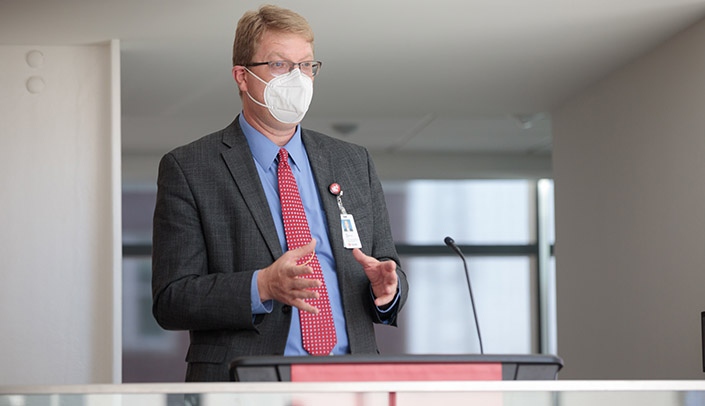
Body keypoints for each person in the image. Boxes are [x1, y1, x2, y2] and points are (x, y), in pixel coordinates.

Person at [151, 4, 408, 382]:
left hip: (350, 380)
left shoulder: (353, 162)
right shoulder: (190, 168)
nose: (298, 78)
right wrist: (263, 286)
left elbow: (385, 263)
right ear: (242, 76)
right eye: (280, 65)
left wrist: (388, 290)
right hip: (245, 382)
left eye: (306, 65)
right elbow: (171, 300)